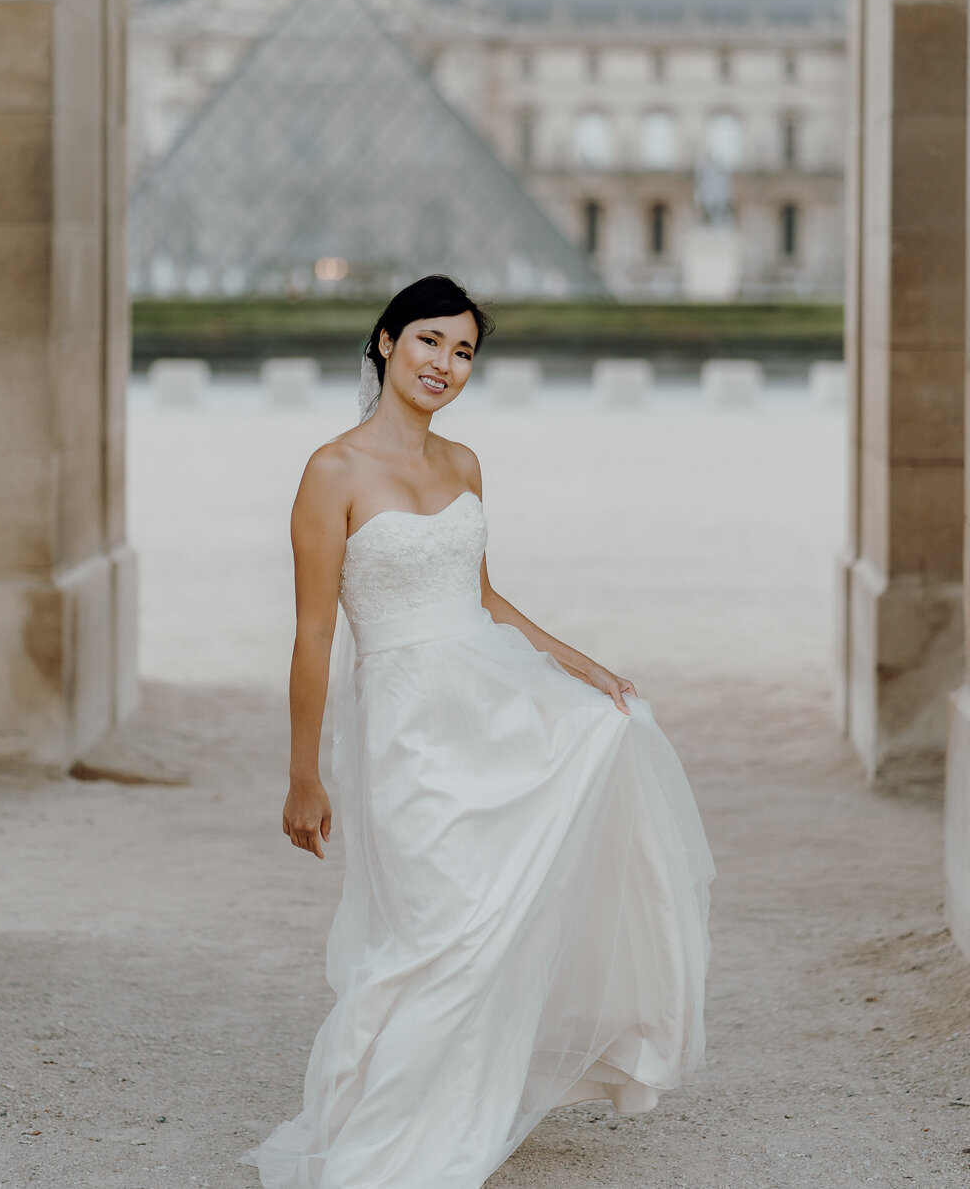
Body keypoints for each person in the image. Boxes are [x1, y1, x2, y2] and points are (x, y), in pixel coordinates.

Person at [241, 273, 716, 1189]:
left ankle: (460, 1111)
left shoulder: (463, 465)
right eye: (429, 341)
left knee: (564, 811)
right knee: (435, 926)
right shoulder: (331, 470)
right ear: (385, 343)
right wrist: (304, 775)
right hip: (407, 720)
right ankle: (382, 1130)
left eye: (463, 351)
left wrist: (580, 664)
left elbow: (485, 598)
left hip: (492, 700)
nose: (445, 364)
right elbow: (312, 634)